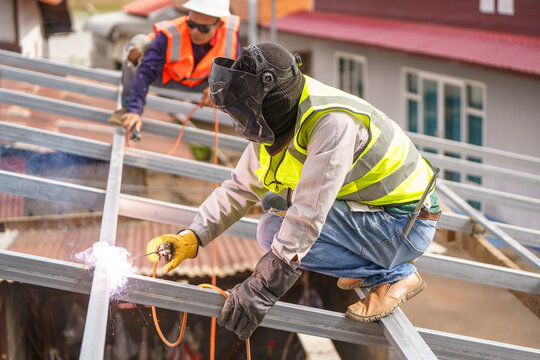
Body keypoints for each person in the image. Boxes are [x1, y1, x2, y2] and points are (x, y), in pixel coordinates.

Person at [146, 43, 441, 340]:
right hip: (376, 214)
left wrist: (262, 287)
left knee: (274, 231)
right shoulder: (277, 118)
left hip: (405, 225)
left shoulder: (332, 124)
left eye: (245, 111)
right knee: (275, 214)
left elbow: (308, 214)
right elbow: (239, 187)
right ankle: (372, 263)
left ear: (270, 99)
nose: (241, 122)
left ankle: (394, 276)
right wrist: (192, 236)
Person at [109, 0, 241, 138]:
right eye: (191, 24)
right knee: (138, 43)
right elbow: (146, 71)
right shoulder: (171, 33)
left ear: (219, 24)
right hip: (167, 79)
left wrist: (217, 87)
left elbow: (233, 70)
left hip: (201, 84)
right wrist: (134, 110)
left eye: (203, 28)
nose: (195, 31)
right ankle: (126, 107)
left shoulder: (229, 34)